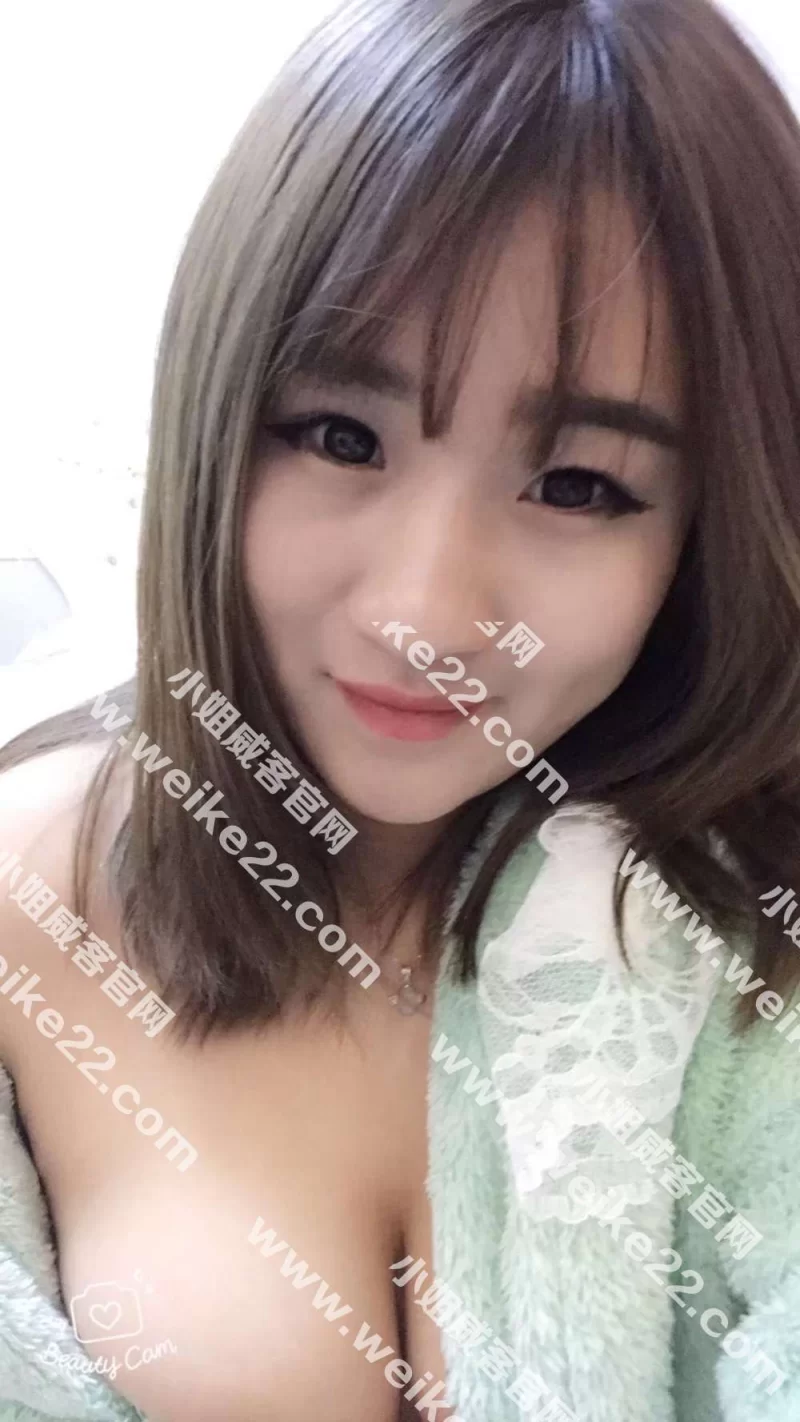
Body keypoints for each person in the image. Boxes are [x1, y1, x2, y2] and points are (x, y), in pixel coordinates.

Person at [2, 0, 800, 1418]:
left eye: (577, 485)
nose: (425, 614)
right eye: (340, 435)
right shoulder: (26, 906)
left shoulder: (735, 938)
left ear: (708, 530)